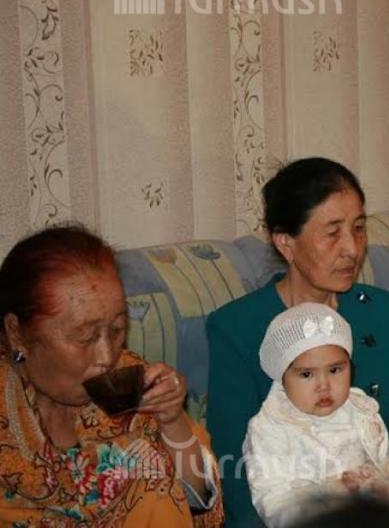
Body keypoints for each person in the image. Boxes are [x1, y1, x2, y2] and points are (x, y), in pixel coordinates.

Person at [207, 157, 389, 525]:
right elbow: (235, 466)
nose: (352, 249)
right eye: (332, 233)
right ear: (286, 242)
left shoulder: (382, 311)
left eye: (358, 229)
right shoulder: (235, 327)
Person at [0, 225, 223, 526]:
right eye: (85, 337)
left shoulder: (128, 381)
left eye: (117, 329)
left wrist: (172, 421)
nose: (106, 357)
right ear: (17, 333)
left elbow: (200, 502)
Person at [243, 303, 389, 526]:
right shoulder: (271, 427)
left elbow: (386, 465)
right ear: (282, 377)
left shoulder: (362, 410)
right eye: (306, 374)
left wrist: (384, 488)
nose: (324, 385)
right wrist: (334, 494)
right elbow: (274, 503)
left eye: (334, 370)